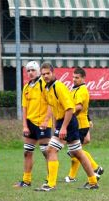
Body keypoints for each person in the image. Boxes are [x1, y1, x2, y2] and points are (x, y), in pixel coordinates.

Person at [35, 62, 98, 192]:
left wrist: (63, 127)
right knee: (78, 153)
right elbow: (53, 107)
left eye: (48, 73)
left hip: (68, 122)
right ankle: (93, 181)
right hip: (63, 122)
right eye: (43, 74)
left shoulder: (59, 87)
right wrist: (48, 121)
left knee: (51, 150)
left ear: (53, 73)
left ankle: (51, 184)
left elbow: (70, 109)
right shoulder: (48, 88)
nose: (45, 76)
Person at [14, 60, 52, 188]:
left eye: (33, 70)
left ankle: (50, 180)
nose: (30, 73)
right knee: (27, 152)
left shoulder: (44, 84)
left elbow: (52, 103)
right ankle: (26, 181)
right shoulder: (26, 87)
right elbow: (24, 108)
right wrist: (24, 125)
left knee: (46, 152)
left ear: (38, 71)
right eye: (28, 71)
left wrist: (46, 120)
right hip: (30, 123)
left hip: (42, 124)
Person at [64, 67, 104, 187]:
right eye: (73, 77)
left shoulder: (81, 90)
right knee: (74, 151)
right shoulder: (75, 89)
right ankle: (73, 176)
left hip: (80, 125)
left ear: (83, 78)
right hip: (79, 124)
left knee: (75, 151)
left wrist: (68, 117)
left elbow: (79, 107)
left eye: (77, 77)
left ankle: (96, 169)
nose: (74, 79)